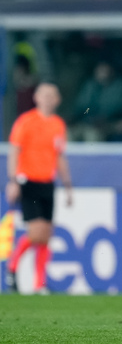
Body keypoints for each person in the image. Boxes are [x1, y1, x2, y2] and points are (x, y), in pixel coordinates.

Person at [4, 83, 73, 294]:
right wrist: (13, 181)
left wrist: (68, 185)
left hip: (47, 183)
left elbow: (59, 156)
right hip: (29, 182)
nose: (48, 99)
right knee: (36, 232)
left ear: (57, 100)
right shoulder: (26, 122)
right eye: (44, 95)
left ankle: (39, 283)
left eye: (52, 95)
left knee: (46, 234)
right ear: (36, 98)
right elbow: (14, 152)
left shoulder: (58, 124)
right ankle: (12, 267)